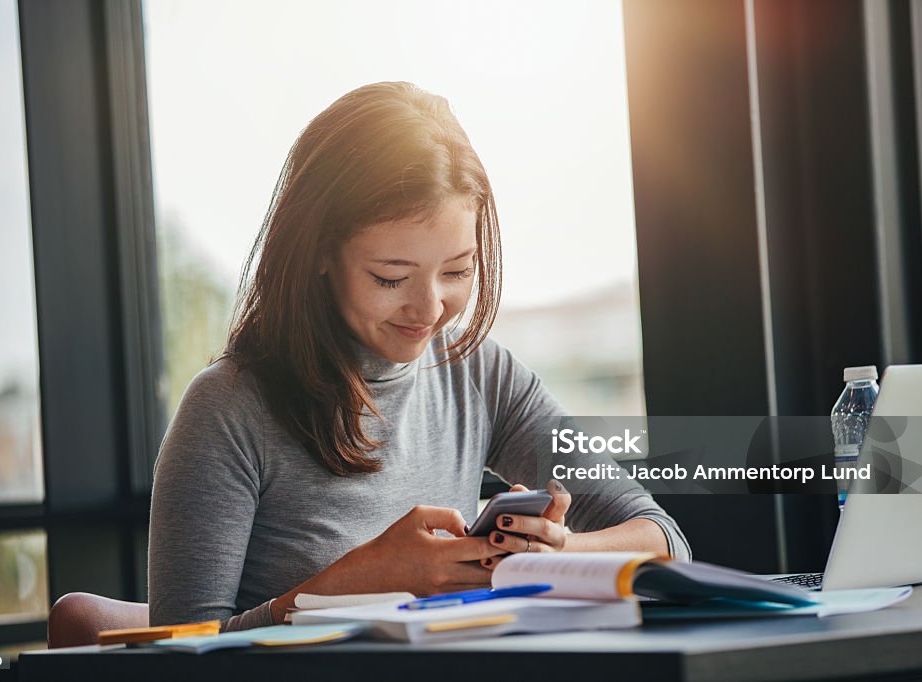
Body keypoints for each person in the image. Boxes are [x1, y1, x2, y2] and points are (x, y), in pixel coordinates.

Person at [148, 81, 690, 630]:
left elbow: (663, 540)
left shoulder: (480, 374)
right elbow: (177, 651)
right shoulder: (228, 408)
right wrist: (347, 587)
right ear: (318, 253)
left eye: (457, 271)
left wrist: (557, 551)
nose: (429, 308)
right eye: (391, 277)